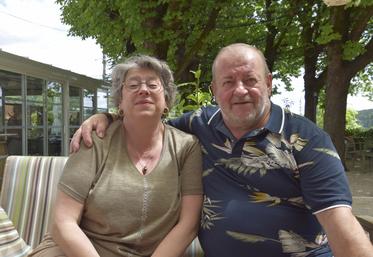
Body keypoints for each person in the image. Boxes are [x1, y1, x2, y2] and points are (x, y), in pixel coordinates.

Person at [71, 44, 373, 257]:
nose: (239, 90)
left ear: (268, 83)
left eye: (250, 80)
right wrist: (108, 118)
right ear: (215, 90)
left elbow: (343, 229)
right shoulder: (198, 125)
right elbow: (148, 123)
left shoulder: (307, 140)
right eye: (228, 82)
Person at [30, 55, 203, 257]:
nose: (143, 90)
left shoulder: (187, 147)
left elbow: (188, 224)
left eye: (153, 85)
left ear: (167, 101)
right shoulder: (95, 141)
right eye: (133, 85)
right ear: (120, 102)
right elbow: (63, 222)